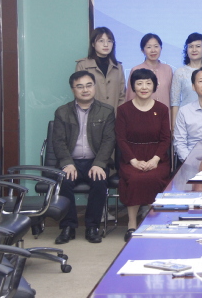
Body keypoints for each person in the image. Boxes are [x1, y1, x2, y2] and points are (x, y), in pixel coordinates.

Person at [52, 71, 115, 244]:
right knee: (64, 181)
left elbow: (109, 140)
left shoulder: (106, 111)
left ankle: (92, 226)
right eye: (80, 86)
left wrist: (99, 164)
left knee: (99, 181)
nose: (85, 90)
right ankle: (68, 226)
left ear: (94, 87)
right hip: (71, 162)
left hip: (95, 161)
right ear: (73, 89)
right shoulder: (62, 112)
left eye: (89, 85)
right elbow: (58, 141)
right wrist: (67, 163)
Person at [116, 69, 171, 242]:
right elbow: (121, 139)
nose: (144, 87)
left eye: (148, 83)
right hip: (131, 157)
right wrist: (133, 161)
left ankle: (154, 221)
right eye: (139, 83)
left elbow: (166, 138)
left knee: (154, 177)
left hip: (157, 157)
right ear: (133, 87)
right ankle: (132, 223)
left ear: (154, 86)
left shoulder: (162, 109)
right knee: (135, 178)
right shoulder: (123, 110)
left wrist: (155, 159)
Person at [75, 27, 126, 111]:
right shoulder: (83, 65)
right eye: (101, 41)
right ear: (93, 44)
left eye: (109, 41)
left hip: (114, 115)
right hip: (90, 115)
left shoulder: (118, 67)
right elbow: (80, 93)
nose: (106, 44)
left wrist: (119, 115)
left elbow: (122, 95)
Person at [170, 32, 202, 128]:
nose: (194, 50)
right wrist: (174, 127)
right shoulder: (179, 72)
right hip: (186, 120)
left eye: (198, 46)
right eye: (190, 46)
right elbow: (175, 102)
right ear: (186, 50)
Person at [126, 33, 173, 111]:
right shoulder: (136, 70)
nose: (153, 50)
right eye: (149, 47)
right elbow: (130, 97)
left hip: (164, 114)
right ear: (142, 50)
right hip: (142, 114)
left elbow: (172, 97)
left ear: (161, 48)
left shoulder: (168, 69)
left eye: (156, 46)